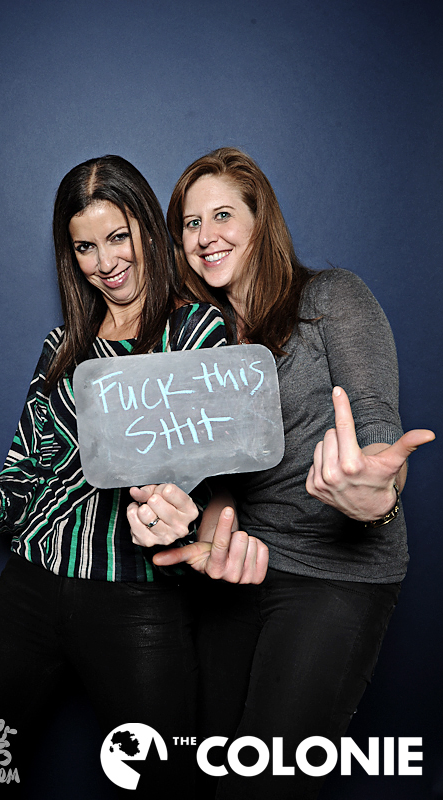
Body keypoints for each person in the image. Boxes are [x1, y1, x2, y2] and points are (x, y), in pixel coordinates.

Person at [0, 154, 267, 799]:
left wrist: (190, 513)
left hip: (137, 599)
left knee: (163, 788)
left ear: (149, 231)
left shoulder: (200, 336)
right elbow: (24, 480)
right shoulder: (63, 348)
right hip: (31, 586)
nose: (105, 262)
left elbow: (227, 478)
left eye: (118, 238)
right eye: (85, 247)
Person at [129, 147, 435, 799]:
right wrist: (207, 534)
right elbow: (224, 481)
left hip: (337, 575)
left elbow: (376, 424)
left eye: (222, 215)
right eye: (190, 224)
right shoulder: (201, 342)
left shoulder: (332, 297)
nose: (205, 236)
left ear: (259, 219)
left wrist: (376, 492)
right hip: (243, 572)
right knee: (207, 775)